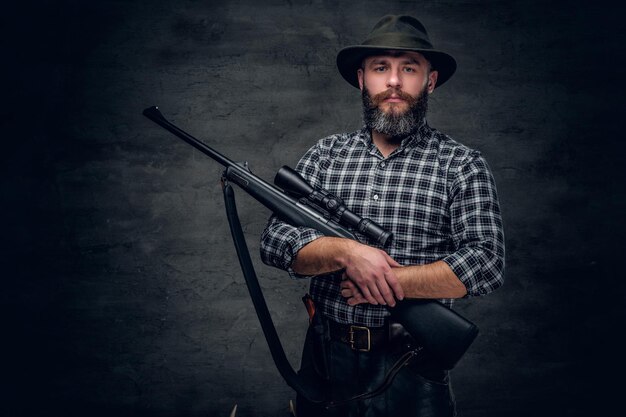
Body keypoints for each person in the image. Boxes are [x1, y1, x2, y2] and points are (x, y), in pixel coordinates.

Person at [260, 14, 505, 417]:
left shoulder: (461, 164)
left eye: (408, 68)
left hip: (412, 364)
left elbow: (486, 262)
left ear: (430, 80)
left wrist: (391, 280)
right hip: (326, 359)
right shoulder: (325, 156)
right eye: (380, 68)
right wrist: (346, 253)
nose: (393, 81)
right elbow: (274, 241)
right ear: (362, 79)